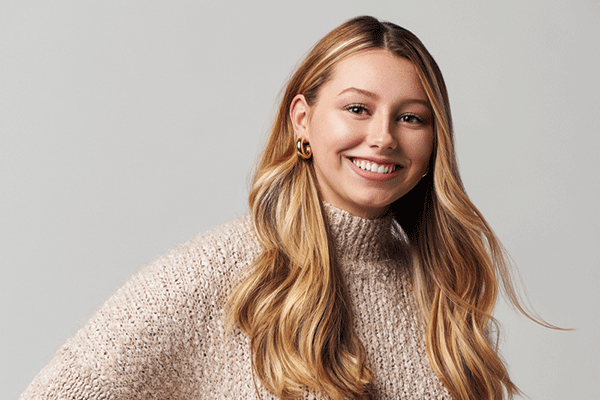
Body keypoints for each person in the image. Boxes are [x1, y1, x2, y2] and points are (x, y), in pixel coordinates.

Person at [20, 15, 540, 400]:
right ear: (302, 120)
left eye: (411, 118)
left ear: (434, 143)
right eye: (357, 108)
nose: (382, 137)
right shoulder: (223, 274)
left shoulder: (445, 295)